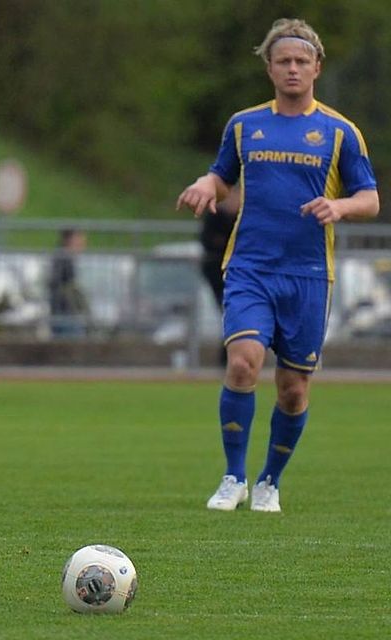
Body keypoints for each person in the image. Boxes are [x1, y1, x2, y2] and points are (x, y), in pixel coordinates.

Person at [176, 18, 379, 513]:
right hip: (250, 267)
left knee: (292, 389)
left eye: (301, 62)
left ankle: (269, 480)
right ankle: (232, 476)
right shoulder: (245, 125)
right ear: (269, 68)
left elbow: (370, 198)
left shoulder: (339, 133)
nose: (292, 69)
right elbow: (223, 176)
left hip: (309, 275)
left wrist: (340, 207)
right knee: (243, 361)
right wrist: (208, 185)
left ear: (316, 68)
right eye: (283, 61)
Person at [198, 187, 239, 366]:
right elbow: (209, 241)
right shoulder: (215, 217)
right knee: (229, 313)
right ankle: (226, 357)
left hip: (236, 272)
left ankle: (230, 355)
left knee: (234, 315)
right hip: (218, 272)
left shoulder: (240, 217)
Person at [48, 227, 89, 337]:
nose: (83, 242)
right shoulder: (63, 257)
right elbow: (64, 285)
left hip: (64, 312)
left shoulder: (63, 257)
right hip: (66, 314)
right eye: (79, 238)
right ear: (70, 240)